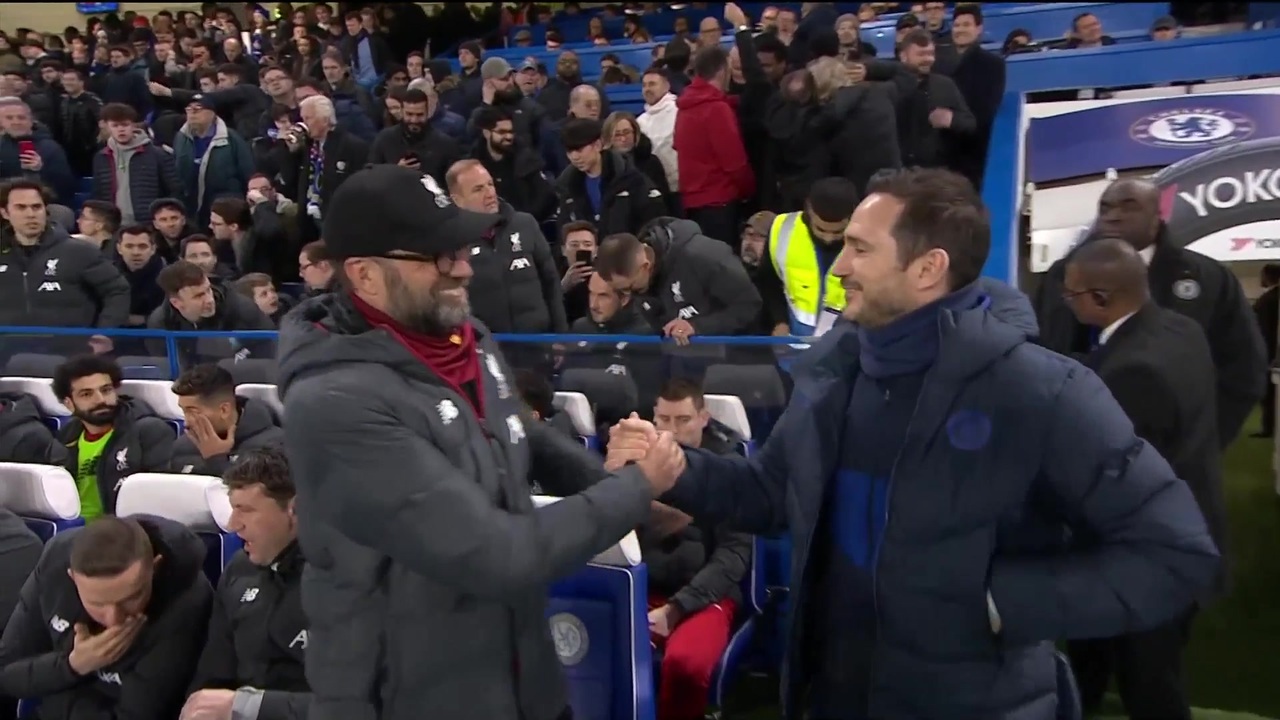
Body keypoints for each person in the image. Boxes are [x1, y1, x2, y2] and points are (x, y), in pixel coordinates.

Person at [605, 168, 1220, 719]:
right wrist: (676, 467)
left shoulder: (1041, 391)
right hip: (834, 694)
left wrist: (1003, 604)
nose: (838, 268)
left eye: (860, 249)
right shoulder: (833, 373)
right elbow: (769, 492)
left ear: (927, 269)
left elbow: (1173, 551)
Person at [276, 164, 688, 720]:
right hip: (411, 699)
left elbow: (515, 431)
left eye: (462, 248)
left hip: (525, 680)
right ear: (365, 275)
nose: (465, 267)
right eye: (439, 256)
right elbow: (498, 554)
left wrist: (630, 493)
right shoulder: (334, 403)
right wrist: (633, 491)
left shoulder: (468, 338)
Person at [1060, 238, 1223, 720]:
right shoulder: (1182, 330)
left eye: (1072, 295)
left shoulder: (1133, 372)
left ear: (1101, 298)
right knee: (1102, 659)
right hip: (1193, 524)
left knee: (1149, 682)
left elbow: (1111, 483)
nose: (1067, 304)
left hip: (1148, 557)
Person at [1033, 178, 1267, 448]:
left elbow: (1245, 368)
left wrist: (1204, 438)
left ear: (1157, 217)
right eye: (1105, 208)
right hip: (1073, 439)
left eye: (1128, 206)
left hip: (1169, 452)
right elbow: (1040, 349)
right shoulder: (1059, 276)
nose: (1113, 216)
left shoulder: (1209, 279)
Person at [0, 515, 213, 719]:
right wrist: (72, 666)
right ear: (72, 578)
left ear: (154, 568)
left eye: (132, 598)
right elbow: (5, 673)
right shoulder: (55, 565)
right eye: (97, 604)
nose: (114, 620)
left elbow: (140, 715)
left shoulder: (186, 602)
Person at [183, 448, 310, 720]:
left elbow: (367, 707)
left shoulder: (349, 583)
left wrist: (253, 706)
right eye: (233, 509)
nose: (232, 525)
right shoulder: (239, 569)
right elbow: (213, 675)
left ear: (295, 509)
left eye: (246, 510)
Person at [54, 355, 176, 520]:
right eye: (86, 394)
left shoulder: (148, 431)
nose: (100, 400)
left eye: (106, 390)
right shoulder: (68, 434)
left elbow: (159, 499)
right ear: (69, 403)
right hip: (74, 526)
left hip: (121, 530)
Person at [169, 364, 284, 476]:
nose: (186, 423)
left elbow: (257, 489)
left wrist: (216, 459)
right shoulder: (182, 447)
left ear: (224, 410)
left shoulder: (274, 446)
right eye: (184, 411)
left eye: (194, 412)